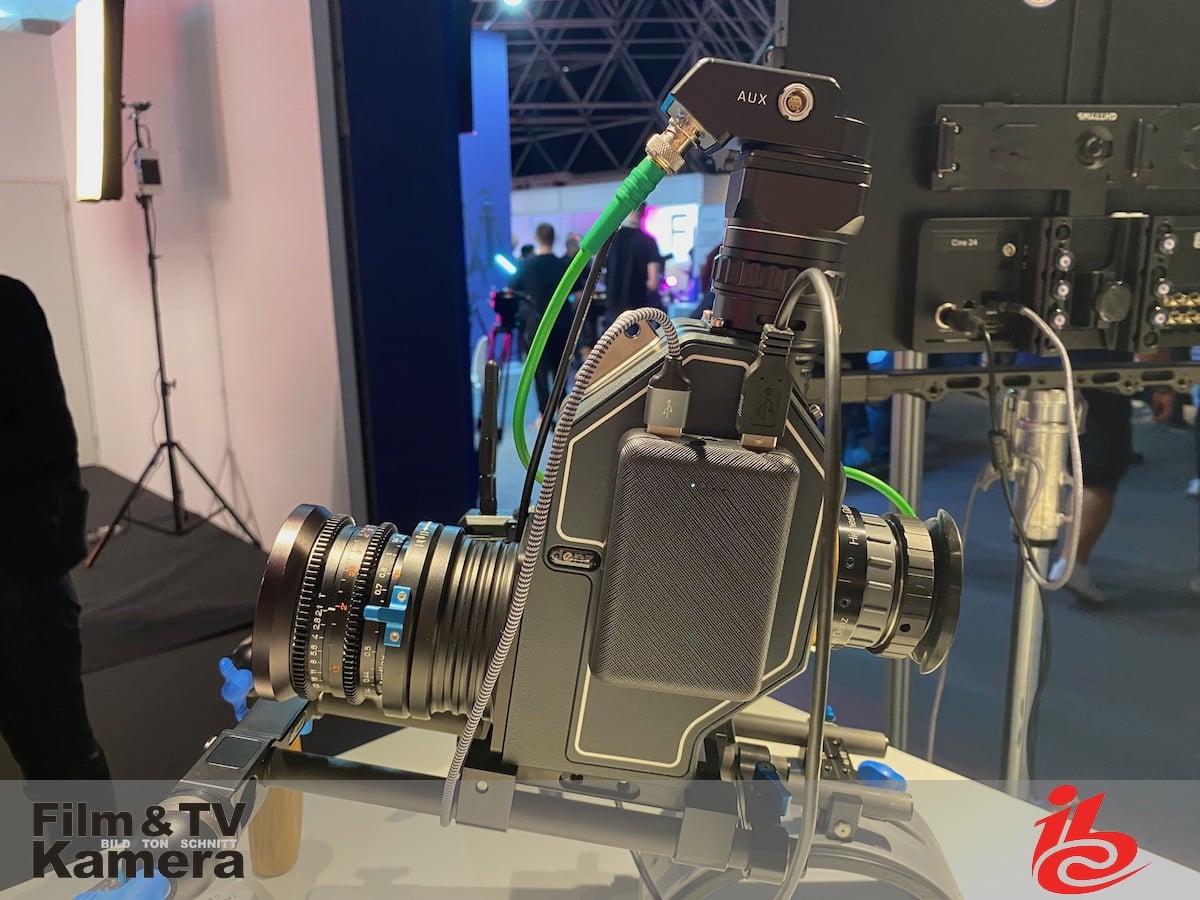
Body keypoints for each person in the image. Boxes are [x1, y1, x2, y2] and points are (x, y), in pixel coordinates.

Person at [0, 275, 111, 783]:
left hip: (17, 579)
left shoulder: (9, 304)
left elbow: (52, 448)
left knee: (60, 761)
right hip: (25, 576)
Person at [509, 224, 570, 420]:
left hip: (536, 325)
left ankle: (544, 414)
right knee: (560, 368)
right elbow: (578, 293)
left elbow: (511, 289)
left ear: (536, 238)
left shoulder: (527, 266)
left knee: (539, 370)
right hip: (561, 324)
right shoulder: (563, 265)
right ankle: (562, 409)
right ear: (554, 238)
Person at [602, 204, 663, 323]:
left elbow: (601, 275)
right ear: (644, 212)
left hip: (612, 309)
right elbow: (653, 283)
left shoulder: (610, 240)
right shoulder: (649, 242)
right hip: (637, 313)